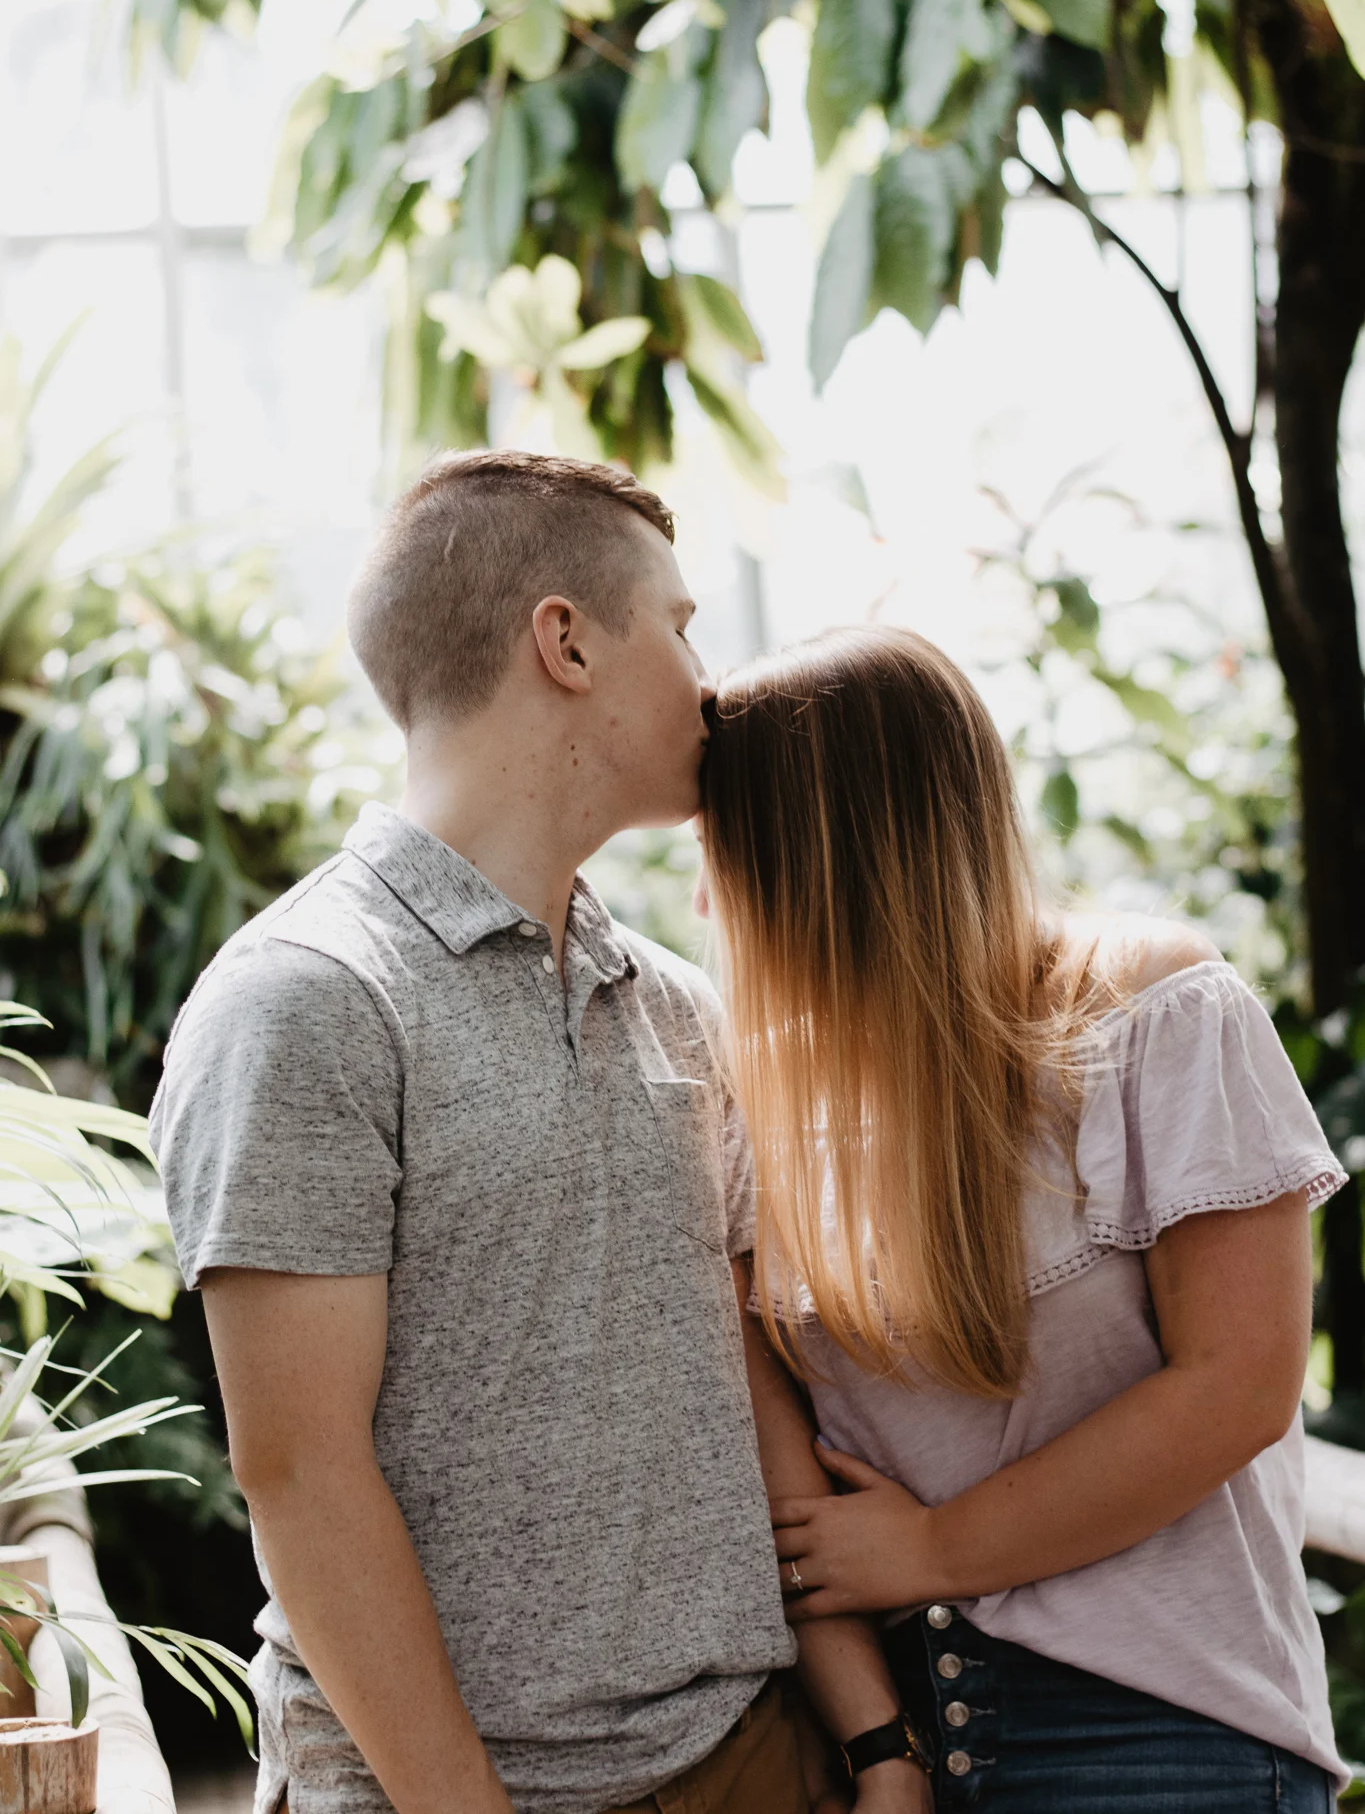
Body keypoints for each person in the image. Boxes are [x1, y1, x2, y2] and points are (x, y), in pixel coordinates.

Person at [149, 454, 924, 1814]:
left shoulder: (673, 1007)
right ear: (563, 640)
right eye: (680, 628)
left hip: (754, 1762)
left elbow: (742, 1388)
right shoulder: (307, 1003)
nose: (709, 680)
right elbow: (300, 1474)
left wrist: (873, 1743)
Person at [698, 622, 1349, 1813]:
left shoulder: (1154, 1010)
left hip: (1161, 1722)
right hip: (895, 1736)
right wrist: (877, 1749)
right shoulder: (754, 1104)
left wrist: (937, 1549)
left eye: (721, 845)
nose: (702, 891)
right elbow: (777, 1468)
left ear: (818, 851)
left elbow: (1242, 1383)